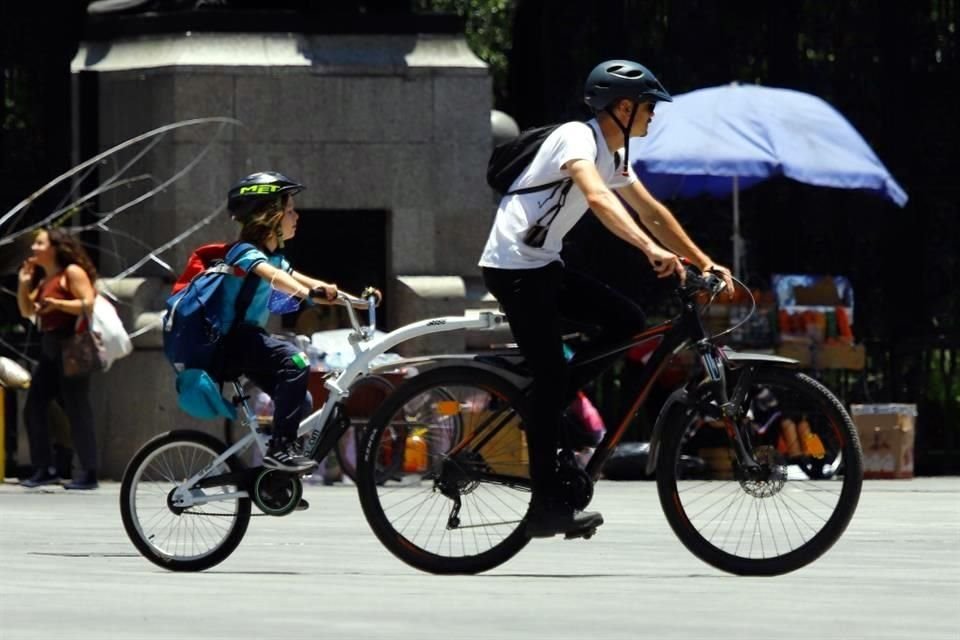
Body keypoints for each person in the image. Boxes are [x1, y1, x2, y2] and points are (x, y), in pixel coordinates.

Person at [478, 60, 734, 538]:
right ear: (621, 107)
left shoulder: (613, 154)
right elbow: (597, 198)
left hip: (542, 267)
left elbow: (651, 211)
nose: (652, 116)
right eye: (647, 108)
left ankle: (550, 399)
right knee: (552, 377)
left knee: (627, 321)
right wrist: (648, 250)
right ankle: (545, 506)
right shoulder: (578, 137)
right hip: (513, 270)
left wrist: (703, 260)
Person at [214, 171, 369, 473]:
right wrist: (306, 291)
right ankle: (280, 449)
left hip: (248, 340)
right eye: (290, 210)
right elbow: (276, 279)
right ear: (270, 216)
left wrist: (355, 300)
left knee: (303, 402)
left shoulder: (274, 258)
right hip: (232, 341)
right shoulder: (244, 253)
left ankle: (275, 480)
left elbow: (311, 284)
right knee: (296, 362)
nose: (296, 216)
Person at [16, 228, 101, 490]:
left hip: (72, 346)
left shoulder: (72, 272)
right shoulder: (45, 279)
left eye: (40, 243)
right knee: (34, 406)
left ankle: (88, 471)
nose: (34, 248)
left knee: (77, 408)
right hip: (50, 348)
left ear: (55, 247)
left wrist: (58, 304)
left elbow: (88, 303)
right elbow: (26, 310)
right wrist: (24, 282)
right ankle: (45, 468)